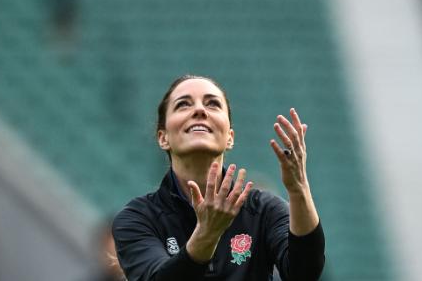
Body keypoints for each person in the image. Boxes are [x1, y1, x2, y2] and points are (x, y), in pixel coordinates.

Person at [112, 74, 325, 280]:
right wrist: (207, 233)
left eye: (212, 104)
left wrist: (299, 189)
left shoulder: (263, 210)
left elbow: (304, 272)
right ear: (163, 137)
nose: (199, 110)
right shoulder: (137, 218)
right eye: (183, 104)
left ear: (230, 137)